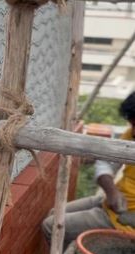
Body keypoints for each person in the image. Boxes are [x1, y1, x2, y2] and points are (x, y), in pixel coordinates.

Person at [42, 92, 135, 245]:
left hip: (122, 218)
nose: (133, 131)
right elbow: (106, 162)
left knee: (51, 226)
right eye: (131, 125)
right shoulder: (131, 135)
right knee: (55, 213)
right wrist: (112, 191)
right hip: (113, 201)